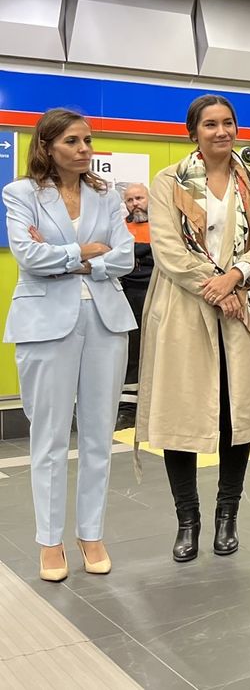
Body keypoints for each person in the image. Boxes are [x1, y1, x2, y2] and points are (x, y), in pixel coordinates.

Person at [136, 94, 250, 562]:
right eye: (210, 124)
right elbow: (166, 247)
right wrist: (216, 286)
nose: (221, 131)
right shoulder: (168, 181)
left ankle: (228, 516)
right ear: (194, 132)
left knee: (235, 414)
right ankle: (188, 521)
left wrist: (237, 277)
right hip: (185, 306)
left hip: (242, 304)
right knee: (180, 415)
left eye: (228, 123)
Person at [3, 108, 136, 581]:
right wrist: (82, 251)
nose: (85, 150)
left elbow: (122, 258)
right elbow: (27, 255)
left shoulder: (107, 197)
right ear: (47, 146)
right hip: (43, 322)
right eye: (74, 142)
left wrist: (76, 260)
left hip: (105, 319)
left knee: (100, 434)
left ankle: (91, 534)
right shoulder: (21, 193)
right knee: (50, 437)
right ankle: (50, 541)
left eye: (88, 141)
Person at [117, 182, 153, 429]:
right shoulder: (121, 228)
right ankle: (129, 409)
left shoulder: (163, 226)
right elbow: (114, 255)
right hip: (129, 294)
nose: (135, 203)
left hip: (159, 291)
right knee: (131, 351)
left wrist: (135, 253)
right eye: (130, 200)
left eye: (139, 197)